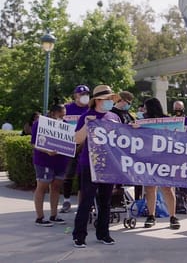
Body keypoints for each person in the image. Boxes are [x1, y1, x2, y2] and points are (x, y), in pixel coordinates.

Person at [72, 85, 121, 248]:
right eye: (108, 99)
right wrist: (87, 124)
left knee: (106, 202)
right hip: (90, 165)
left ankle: (103, 233)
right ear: (98, 100)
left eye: (111, 99)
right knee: (86, 201)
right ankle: (79, 235)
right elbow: (77, 139)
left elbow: (123, 139)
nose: (110, 102)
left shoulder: (114, 116)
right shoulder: (86, 116)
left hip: (109, 165)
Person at [141, 97, 181, 230]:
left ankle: (173, 216)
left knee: (167, 189)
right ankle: (151, 215)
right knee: (150, 189)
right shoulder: (143, 122)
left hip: (165, 160)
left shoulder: (168, 121)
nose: (143, 110)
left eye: (145, 108)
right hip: (149, 159)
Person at [31, 103, 68, 226]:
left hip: (60, 161)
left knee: (56, 186)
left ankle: (54, 215)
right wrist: (47, 151)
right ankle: (40, 217)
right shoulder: (40, 124)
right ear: (52, 113)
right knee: (42, 186)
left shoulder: (65, 125)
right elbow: (34, 143)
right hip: (44, 160)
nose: (62, 117)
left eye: (64, 115)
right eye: (60, 115)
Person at [60, 85, 90, 213]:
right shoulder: (67, 108)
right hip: (70, 147)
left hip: (87, 147)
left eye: (86, 94)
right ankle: (66, 201)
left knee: (82, 176)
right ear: (75, 95)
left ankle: (81, 204)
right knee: (68, 174)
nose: (84, 96)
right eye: (81, 94)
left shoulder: (91, 109)